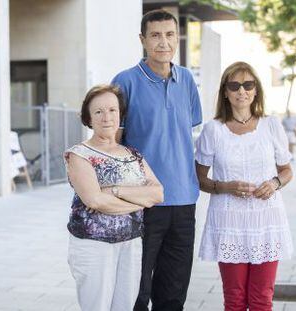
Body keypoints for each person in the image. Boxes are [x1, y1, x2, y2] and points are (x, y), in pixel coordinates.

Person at [111, 9, 202, 310]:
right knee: (137, 291)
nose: (163, 42)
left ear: (177, 38)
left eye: (170, 34)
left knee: (174, 293)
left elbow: (187, 133)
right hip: (143, 203)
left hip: (184, 200)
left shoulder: (187, 79)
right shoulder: (125, 82)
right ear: (143, 39)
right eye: (155, 35)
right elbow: (114, 143)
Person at [195, 61, 293, 311]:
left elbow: (286, 170)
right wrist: (226, 186)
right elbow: (200, 179)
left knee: (262, 299)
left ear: (256, 90)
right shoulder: (213, 130)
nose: (242, 91)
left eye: (248, 84)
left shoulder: (271, 125)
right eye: (234, 85)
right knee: (235, 299)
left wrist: (274, 183)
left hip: (266, 222)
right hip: (229, 223)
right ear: (225, 92)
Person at [64, 85, 164, 311]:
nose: (106, 117)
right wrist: (140, 200)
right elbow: (95, 201)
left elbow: (157, 193)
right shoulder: (79, 154)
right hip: (93, 246)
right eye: (98, 111)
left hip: (130, 243)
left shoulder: (133, 155)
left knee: (125, 307)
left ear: (120, 114)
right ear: (88, 118)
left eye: (112, 110)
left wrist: (115, 191)